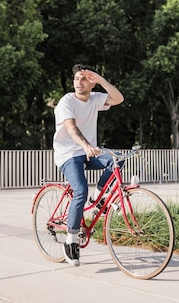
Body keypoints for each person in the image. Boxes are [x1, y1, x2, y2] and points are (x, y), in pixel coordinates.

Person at [53, 64, 124, 267]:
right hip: (69, 154)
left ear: (90, 83)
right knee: (80, 191)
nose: (79, 82)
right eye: (76, 78)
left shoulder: (94, 99)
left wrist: (101, 80)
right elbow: (71, 128)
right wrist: (86, 145)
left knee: (117, 159)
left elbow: (119, 99)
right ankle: (71, 240)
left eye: (84, 79)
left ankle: (98, 196)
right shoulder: (67, 101)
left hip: (88, 152)